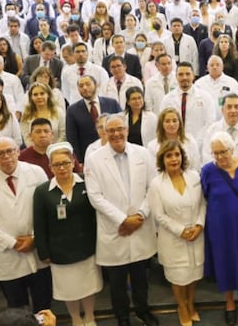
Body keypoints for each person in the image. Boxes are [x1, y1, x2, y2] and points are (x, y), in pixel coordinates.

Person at [84, 114, 158, 326]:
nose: (116, 134)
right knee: (117, 282)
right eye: (111, 131)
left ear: (127, 130)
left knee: (141, 278)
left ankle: (143, 311)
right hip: (114, 228)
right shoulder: (94, 158)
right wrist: (123, 220)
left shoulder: (143, 153)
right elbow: (95, 196)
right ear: (104, 133)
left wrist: (140, 216)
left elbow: (152, 188)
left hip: (140, 225)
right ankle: (122, 317)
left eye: (120, 129)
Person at [0, 137, 51, 312]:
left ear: (18, 151)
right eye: (0, 154)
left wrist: (34, 238)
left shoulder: (36, 172)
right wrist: (13, 243)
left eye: (10, 151)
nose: (6, 156)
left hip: (37, 250)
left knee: (44, 305)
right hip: (7, 255)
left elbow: (48, 208)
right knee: (17, 308)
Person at [32, 142, 101, 326]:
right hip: (59, 251)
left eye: (65, 163)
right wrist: (43, 252)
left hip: (87, 245)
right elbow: (39, 224)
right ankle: (76, 318)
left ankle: (89, 316)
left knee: (88, 286)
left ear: (73, 162)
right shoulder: (42, 191)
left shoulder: (86, 183)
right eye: (57, 165)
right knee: (69, 289)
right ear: (50, 167)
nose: (62, 168)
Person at [201, 131, 238, 325]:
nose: (219, 157)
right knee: (225, 261)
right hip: (219, 226)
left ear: (232, 149)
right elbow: (204, 196)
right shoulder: (207, 171)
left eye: (223, 152)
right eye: (215, 153)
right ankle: (228, 303)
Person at [149, 140, 206, 326]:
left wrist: (199, 225)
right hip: (173, 237)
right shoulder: (157, 184)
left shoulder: (194, 177)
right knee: (179, 277)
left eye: (177, 154)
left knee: (193, 273)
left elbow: (203, 204)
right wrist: (181, 231)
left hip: (196, 234)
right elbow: (159, 215)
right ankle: (182, 306)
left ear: (182, 156)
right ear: (162, 159)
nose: (174, 159)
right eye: (169, 156)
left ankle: (191, 303)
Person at [161, 62, 219, 149]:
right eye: (181, 74)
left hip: (200, 146)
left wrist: (196, 142)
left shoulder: (205, 97)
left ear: (193, 76)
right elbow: (162, 123)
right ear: (176, 77)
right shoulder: (167, 99)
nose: (184, 77)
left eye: (188, 74)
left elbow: (210, 123)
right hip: (173, 146)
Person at [65, 75, 122, 162]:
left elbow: (122, 126)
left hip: (115, 153)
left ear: (96, 85)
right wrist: (79, 162)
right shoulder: (72, 110)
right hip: (89, 157)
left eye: (88, 84)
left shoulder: (112, 103)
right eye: (81, 86)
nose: (84, 88)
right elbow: (72, 139)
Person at [20, 83, 66, 147]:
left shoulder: (58, 112)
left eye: (42, 93)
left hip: (56, 150)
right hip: (34, 151)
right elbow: (27, 137)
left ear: (48, 95)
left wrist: (54, 149)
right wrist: (37, 150)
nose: (39, 97)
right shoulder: (26, 115)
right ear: (31, 97)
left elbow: (63, 134)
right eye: (35, 95)